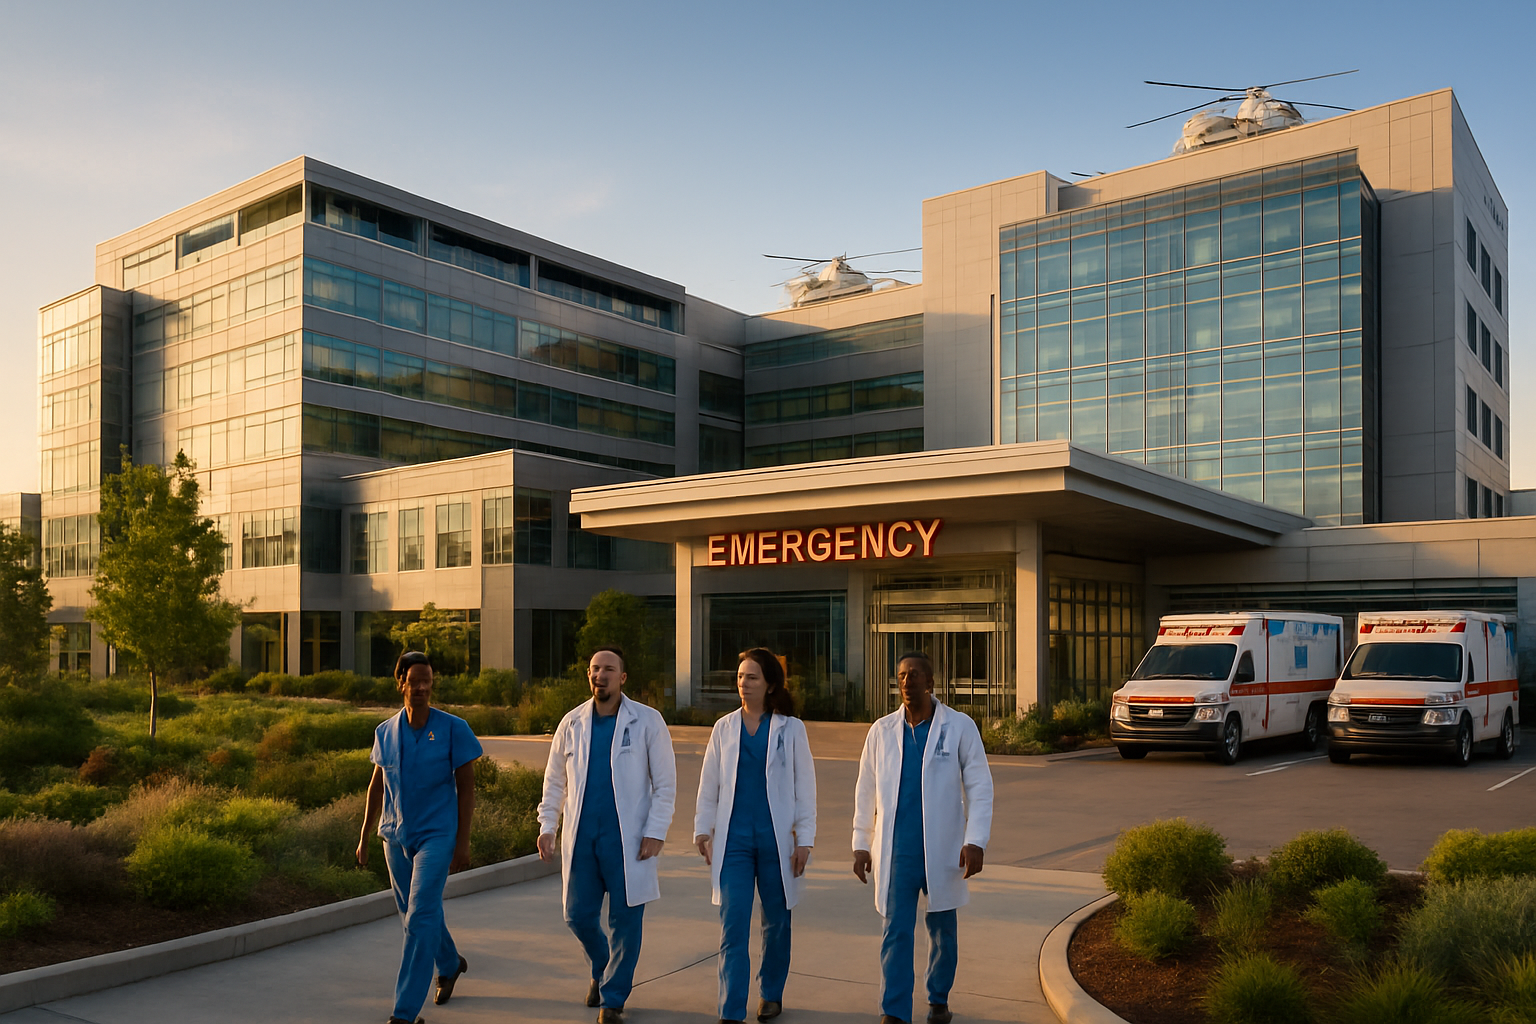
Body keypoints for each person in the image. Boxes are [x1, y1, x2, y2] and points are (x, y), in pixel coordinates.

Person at [852, 652, 994, 1024]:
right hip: (897, 850)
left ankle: (938, 998)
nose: (906, 681)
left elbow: (980, 785)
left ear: (930, 682)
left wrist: (975, 839)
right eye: (900, 675)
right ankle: (894, 1011)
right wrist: (861, 843)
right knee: (895, 931)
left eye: (914, 674)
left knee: (943, 931)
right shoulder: (881, 732)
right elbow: (865, 791)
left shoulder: (959, 727)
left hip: (945, 848)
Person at [538, 647, 678, 1024]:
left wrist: (656, 831)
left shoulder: (648, 721)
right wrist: (547, 826)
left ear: (623, 678)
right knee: (577, 915)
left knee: (626, 920)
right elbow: (554, 782)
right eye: (595, 669)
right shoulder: (572, 723)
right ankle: (603, 967)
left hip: (628, 838)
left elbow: (665, 785)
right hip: (583, 836)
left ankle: (613, 999)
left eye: (609, 669)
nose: (600, 675)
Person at [357, 650, 483, 1024]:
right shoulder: (385, 732)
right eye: (415, 681)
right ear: (401, 684)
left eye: (428, 680)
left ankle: (404, 1013)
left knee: (420, 916)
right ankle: (448, 963)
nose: (423, 688)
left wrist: (462, 842)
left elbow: (467, 789)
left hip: (437, 836)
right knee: (417, 914)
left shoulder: (453, 728)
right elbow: (376, 787)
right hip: (394, 836)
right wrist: (365, 836)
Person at [694, 648, 818, 1024]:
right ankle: (731, 1010)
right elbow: (709, 783)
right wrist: (703, 828)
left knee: (777, 922)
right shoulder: (724, 728)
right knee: (733, 924)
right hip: (734, 841)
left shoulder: (791, 728)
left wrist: (805, 840)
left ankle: (770, 993)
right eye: (740, 676)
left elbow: (804, 787)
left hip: (776, 841)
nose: (743, 683)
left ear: (769, 684)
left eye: (751, 677)